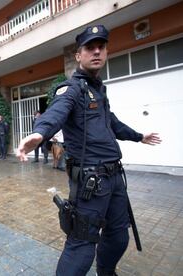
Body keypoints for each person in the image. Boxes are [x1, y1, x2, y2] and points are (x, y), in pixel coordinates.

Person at [16, 25, 161, 276]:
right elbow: (57, 111)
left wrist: (139, 136)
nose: (96, 52)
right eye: (89, 48)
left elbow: (112, 123)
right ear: (78, 55)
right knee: (82, 246)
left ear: (105, 52)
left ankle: (106, 272)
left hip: (115, 178)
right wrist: (40, 133)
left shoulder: (98, 91)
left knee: (118, 236)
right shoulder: (72, 89)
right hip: (91, 182)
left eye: (101, 47)